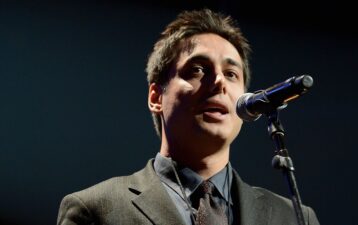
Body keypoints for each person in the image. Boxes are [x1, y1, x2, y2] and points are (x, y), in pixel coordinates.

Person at [57, 8, 320, 225]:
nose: (219, 82)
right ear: (156, 98)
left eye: (231, 74)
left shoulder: (295, 217)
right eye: (197, 69)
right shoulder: (96, 209)